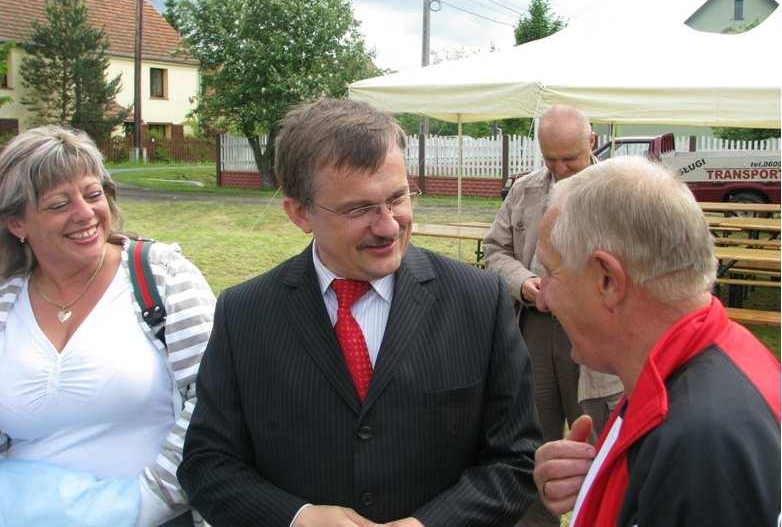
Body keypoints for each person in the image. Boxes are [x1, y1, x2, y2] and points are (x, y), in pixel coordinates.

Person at [178, 98, 541, 526]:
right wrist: (297, 519)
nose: (388, 225)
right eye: (358, 209)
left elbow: (516, 459)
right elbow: (206, 462)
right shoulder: (245, 313)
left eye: (398, 198)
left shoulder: (478, 300)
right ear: (299, 213)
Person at [533, 156, 780, 526]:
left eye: (550, 273)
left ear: (608, 281)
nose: (541, 298)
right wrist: (607, 483)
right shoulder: (701, 361)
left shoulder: (700, 446)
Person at [0, 126, 215, 526]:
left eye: (93, 193)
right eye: (58, 204)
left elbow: (214, 399)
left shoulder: (161, 277)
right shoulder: (6, 303)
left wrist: (141, 505)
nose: (85, 213)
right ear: (17, 225)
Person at [483, 105, 623, 525]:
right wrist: (525, 283)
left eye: (570, 158)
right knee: (531, 447)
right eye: (551, 159)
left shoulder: (619, 193)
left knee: (599, 450)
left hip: (599, 341)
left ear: (592, 142)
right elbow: (495, 250)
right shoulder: (525, 189)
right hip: (535, 335)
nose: (560, 169)